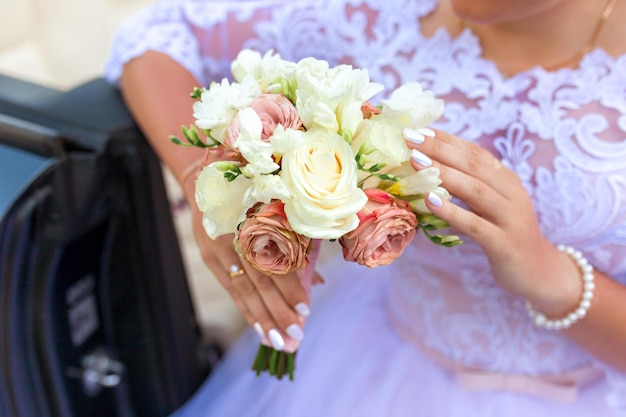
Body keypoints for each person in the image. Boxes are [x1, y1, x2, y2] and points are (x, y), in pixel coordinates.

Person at [104, 0, 626, 415]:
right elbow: (156, 34)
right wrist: (207, 181)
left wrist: (553, 279)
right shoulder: (383, 13)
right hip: (372, 364)